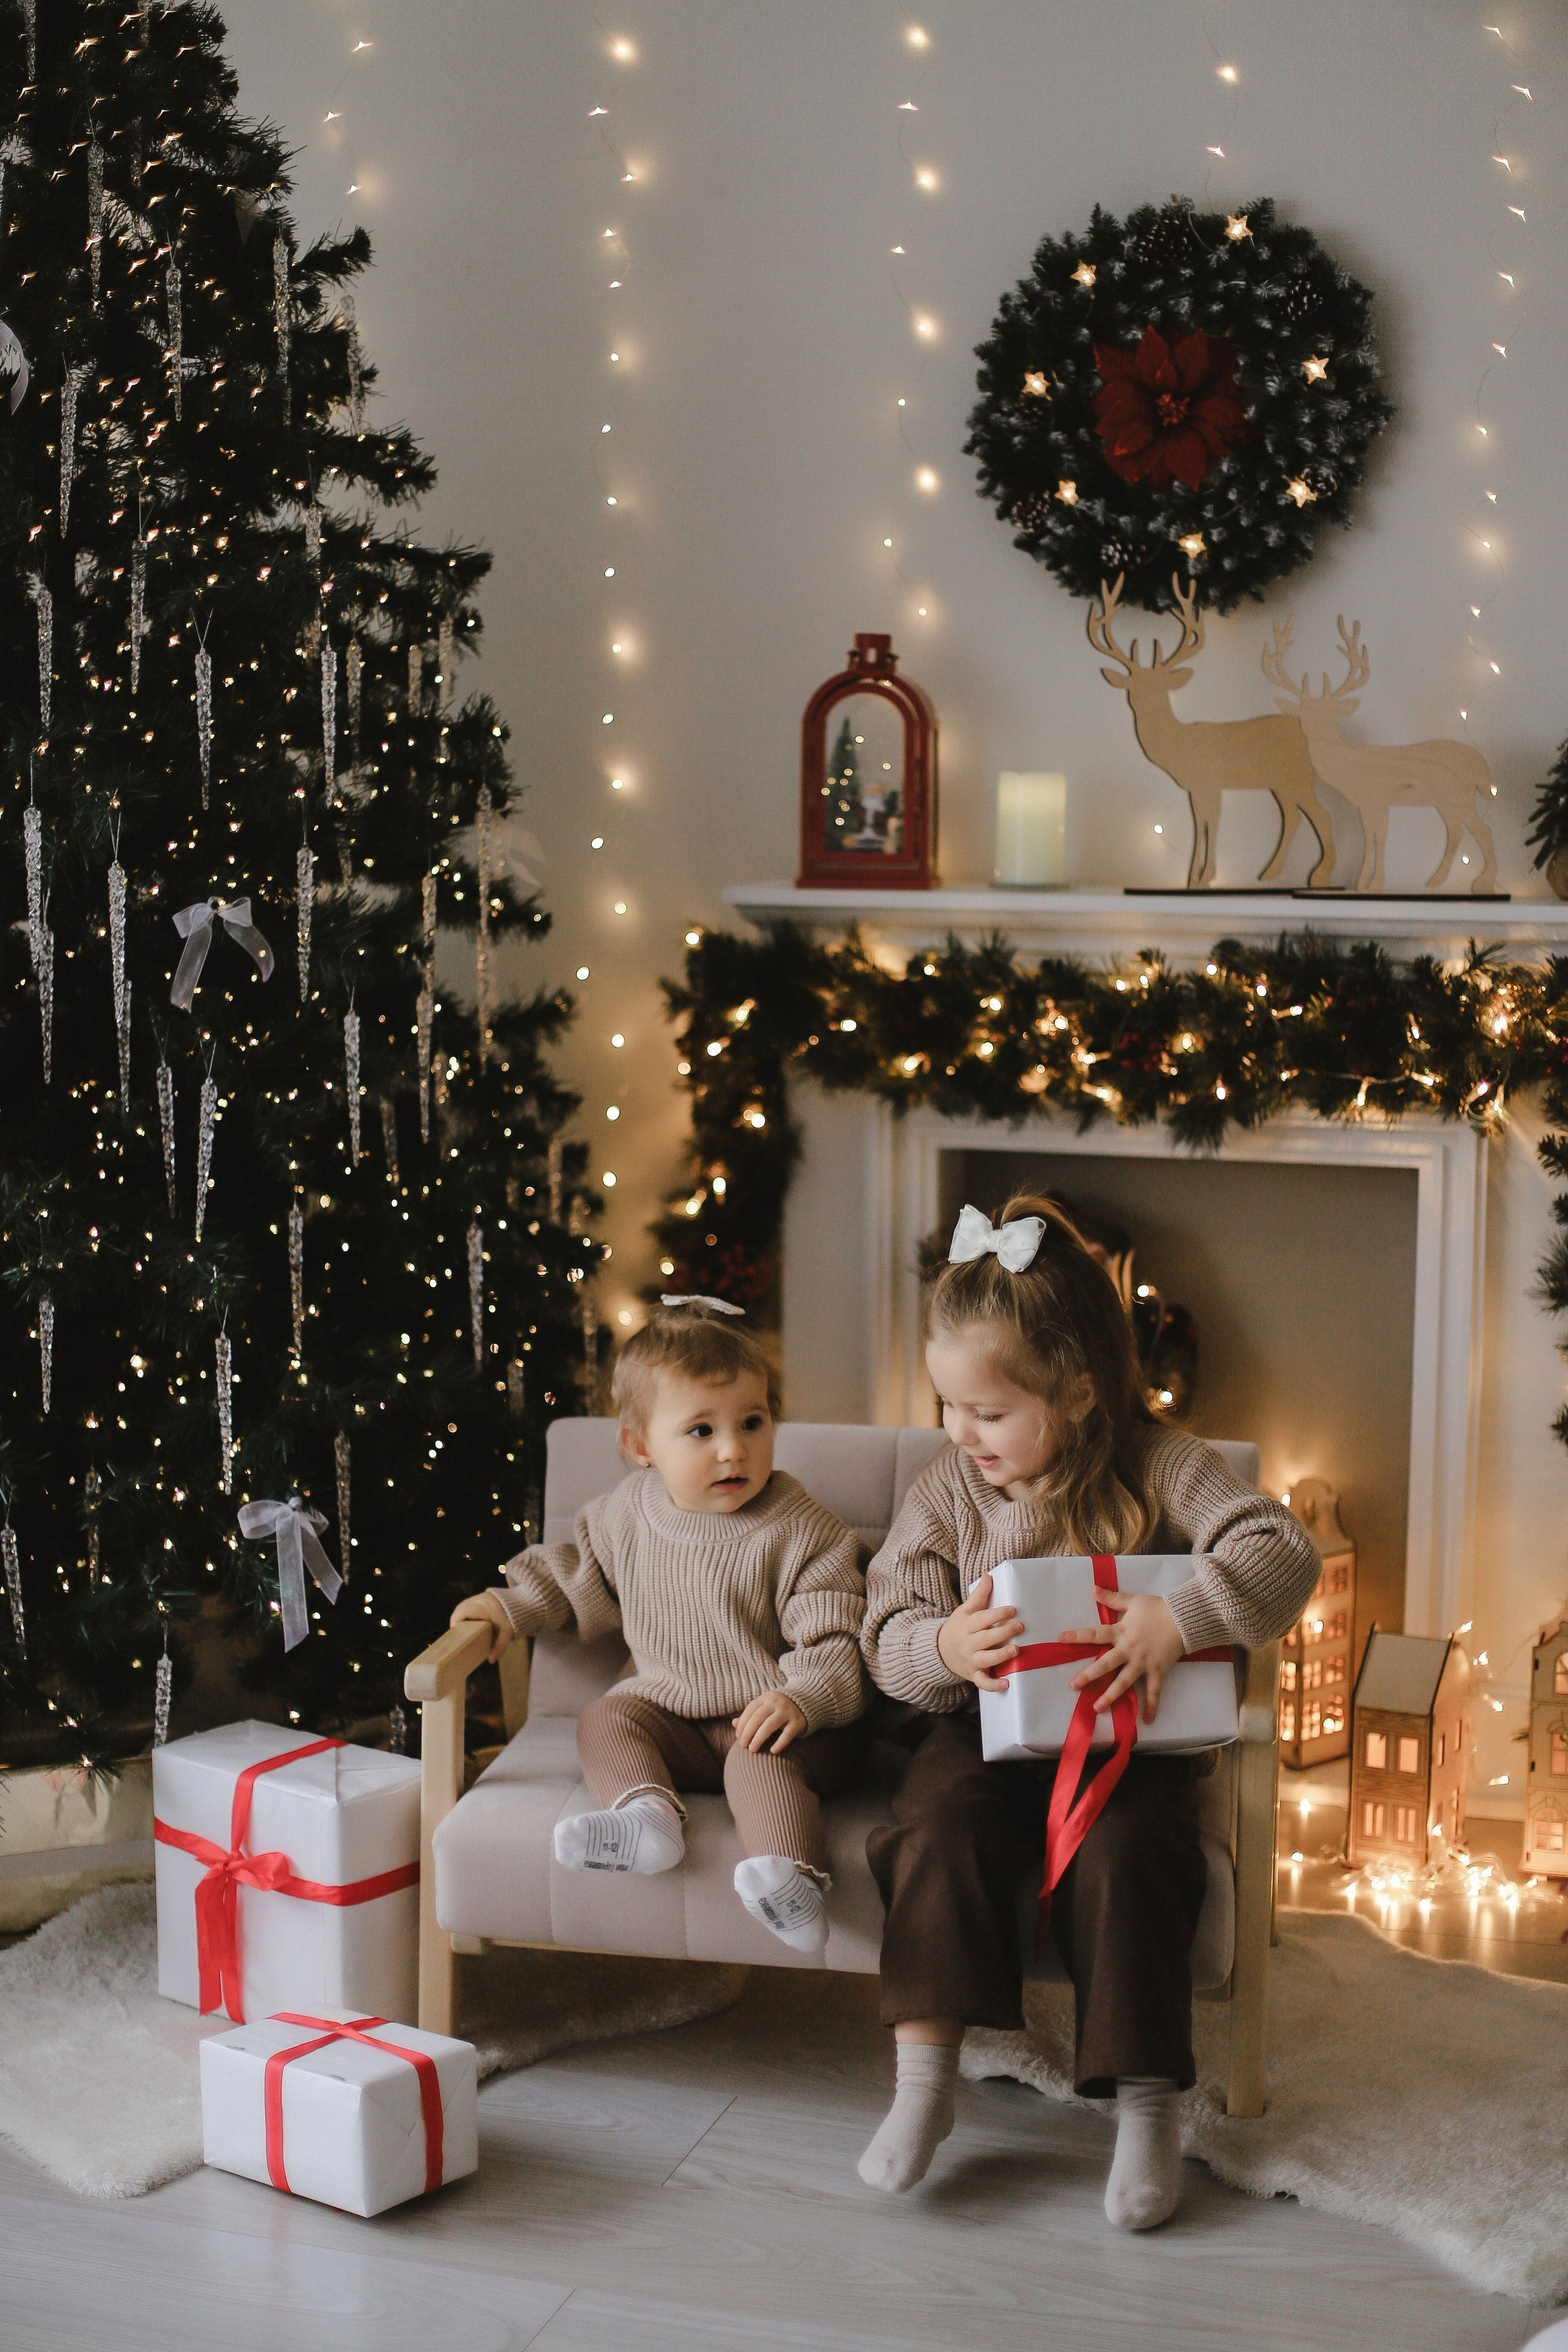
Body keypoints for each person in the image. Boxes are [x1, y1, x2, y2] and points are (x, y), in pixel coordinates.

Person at [858, 1196, 1318, 2225]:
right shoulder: (947, 1492)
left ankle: (1150, 2105)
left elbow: (1283, 1552)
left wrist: (1181, 1614)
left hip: (1131, 1741)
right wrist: (942, 1646)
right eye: (947, 1406)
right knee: (935, 1832)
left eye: (986, 1411)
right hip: (978, 1733)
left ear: (1073, 1394)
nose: (959, 1432)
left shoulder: (1156, 1463)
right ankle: (925, 2088)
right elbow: (883, 1630)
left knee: (1134, 1860)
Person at [450, 1296, 867, 1953]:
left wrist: (802, 1696)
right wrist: (509, 1606)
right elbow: (575, 1576)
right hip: (675, 1721)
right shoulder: (627, 1514)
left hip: (782, 1724)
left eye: (752, 1423)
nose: (734, 1449)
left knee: (759, 1765)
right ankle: (645, 1818)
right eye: (702, 1431)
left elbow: (837, 1632)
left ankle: (790, 1881)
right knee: (607, 1717)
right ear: (640, 1445)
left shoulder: (800, 1527)